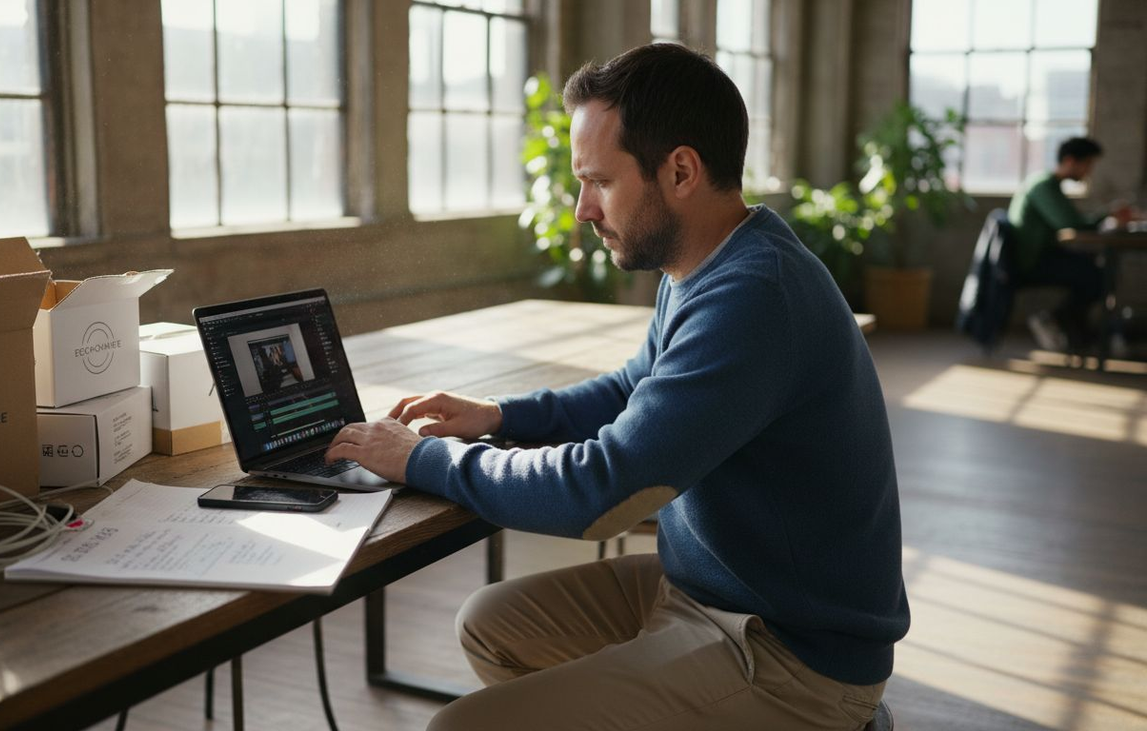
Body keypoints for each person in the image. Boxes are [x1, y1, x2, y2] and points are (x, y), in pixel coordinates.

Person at [326, 43, 909, 730]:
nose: (581, 210)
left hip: (792, 654)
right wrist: (496, 414)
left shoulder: (755, 296)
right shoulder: (706, 262)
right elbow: (635, 387)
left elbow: (605, 493)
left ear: (681, 170)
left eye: (599, 182)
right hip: (707, 590)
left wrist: (420, 458)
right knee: (492, 624)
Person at [1008, 137, 1133, 351]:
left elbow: (1071, 222)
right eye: (1088, 164)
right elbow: (1070, 223)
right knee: (1098, 275)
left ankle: (1075, 331)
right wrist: (1108, 215)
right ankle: (1065, 325)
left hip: (1041, 256)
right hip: (1031, 261)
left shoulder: (1050, 185)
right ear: (1070, 161)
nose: (1089, 171)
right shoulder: (1043, 186)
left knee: (1098, 269)